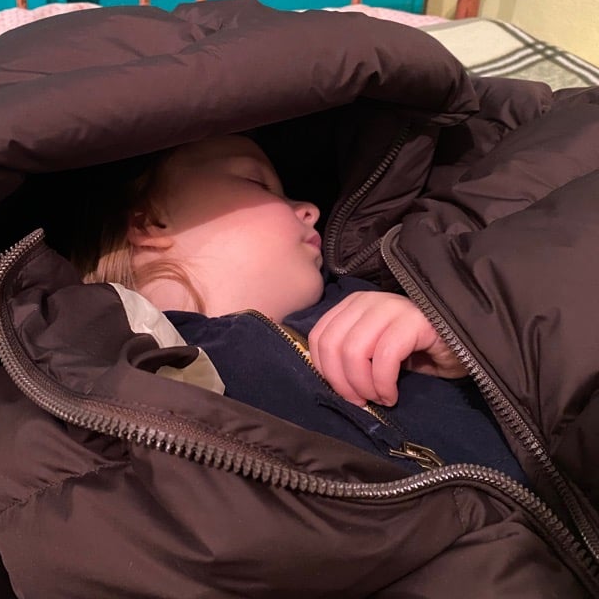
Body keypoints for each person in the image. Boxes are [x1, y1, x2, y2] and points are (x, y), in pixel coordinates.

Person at [67, 132, 526, 480]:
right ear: (149, 221)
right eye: (259, 182)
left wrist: (465, 341)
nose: (311, 208)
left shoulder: (381, 299)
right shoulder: (100, 378)